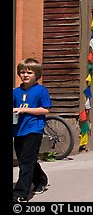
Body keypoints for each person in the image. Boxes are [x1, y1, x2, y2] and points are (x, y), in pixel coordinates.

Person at [13, 58, 52, 202]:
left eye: (29, 72)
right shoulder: (15, 92)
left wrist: (25, 110)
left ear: (37, 74)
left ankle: (20, 194)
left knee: (26, 162)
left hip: (34, 129)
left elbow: (45, 110)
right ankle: (41, 180)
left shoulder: (41, 90)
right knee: (26, 159)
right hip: (18, 130)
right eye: (22, 72)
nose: (25, 75)